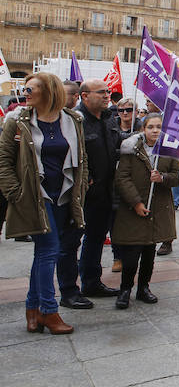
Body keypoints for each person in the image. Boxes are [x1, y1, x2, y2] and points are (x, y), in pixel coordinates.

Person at [0, 72, 87, 335]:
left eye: (30, 90)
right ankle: (49, 311)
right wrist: (15, 193)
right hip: (34, 196)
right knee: (50, 250)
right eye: (25, 90)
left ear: (48, 92)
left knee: (45, 253)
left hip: (64, 194)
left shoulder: (73, 120)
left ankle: (32, 309)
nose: (25, 94)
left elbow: (81, 156)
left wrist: (82, 186)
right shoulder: (17, 121)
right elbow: (3, 161)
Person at [111, 114, 179, 309]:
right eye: (151, 127)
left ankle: (143, 287)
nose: (155, 130)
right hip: (134, 209)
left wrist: (163, 178)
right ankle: (125, 289)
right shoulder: (131, 149)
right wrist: (136, 202)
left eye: (159, 127)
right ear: (144, 129)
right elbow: (122, 178)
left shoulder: (168, 150)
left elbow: (178, 176)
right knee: (132, 253)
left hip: (156, 209)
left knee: (149, 252)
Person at [74, 78, 122, 302]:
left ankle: (92, 283)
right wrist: (88, 180)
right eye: (101, 92)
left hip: (107, 192)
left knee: (96, 238)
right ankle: (70, 288)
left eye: (108, 92)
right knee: (73, 242)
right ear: (85, 96)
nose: (106, 95)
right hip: (83, 194)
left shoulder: (109, 118)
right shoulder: (76, 120)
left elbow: (116, 145)